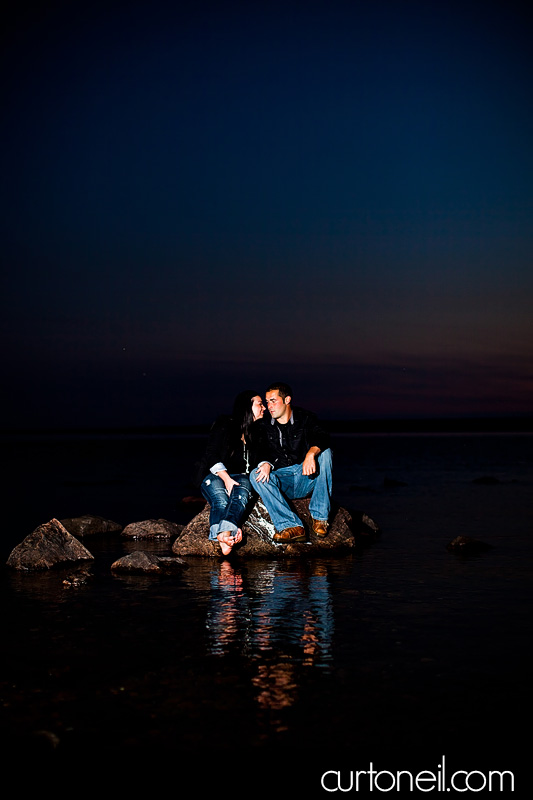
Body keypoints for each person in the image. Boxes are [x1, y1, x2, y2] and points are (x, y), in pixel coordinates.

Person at [250, 382, 332, 543]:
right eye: (267, 402)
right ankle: (292, 526)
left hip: (306, 477)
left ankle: (320, 517)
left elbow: (323, 436)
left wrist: (311, 454)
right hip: (282, 481)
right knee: (255, 474)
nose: (269, 406)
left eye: (273, 400)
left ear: (287, 400)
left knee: (325, 453)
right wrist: (264, 462)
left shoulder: (305, 418)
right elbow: (258, 450)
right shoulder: (264, 425)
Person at [197, 390, 265, 555]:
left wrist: (266, 464)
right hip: (215, 474)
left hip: (242, 477)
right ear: (247, 406)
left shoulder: (258, 432)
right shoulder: (225, 423)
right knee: (220, 499)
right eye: (259, 404)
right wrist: (226, 479)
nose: (264, 408)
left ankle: (223, 535)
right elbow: (211, 454)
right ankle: (228, 534)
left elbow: (265, 457)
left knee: (241, 493)